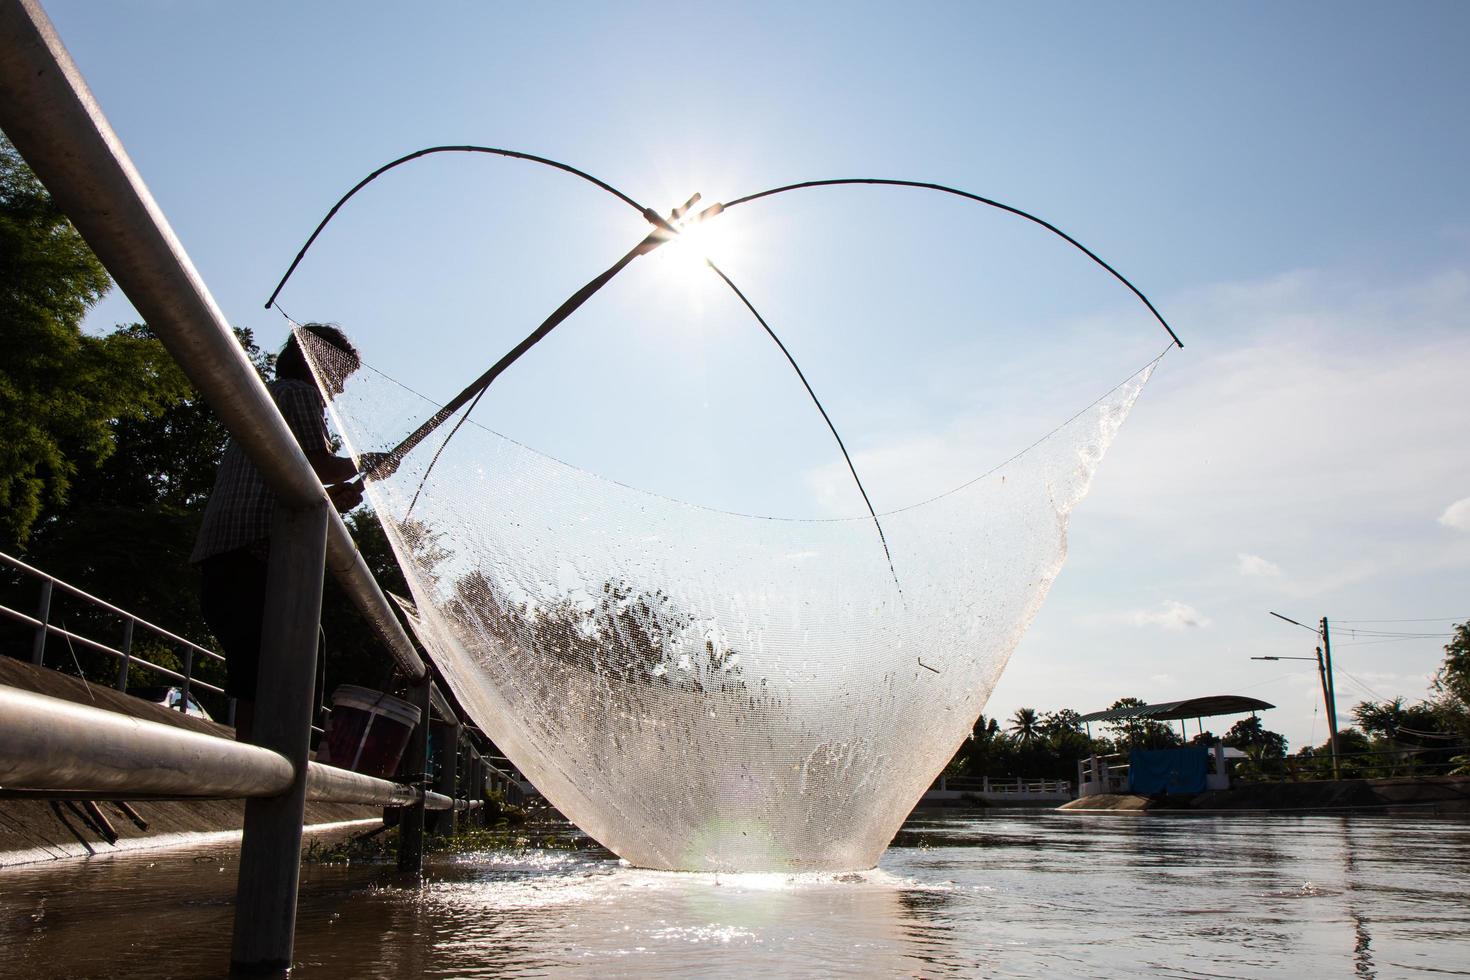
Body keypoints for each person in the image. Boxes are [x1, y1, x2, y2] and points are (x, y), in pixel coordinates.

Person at [191, 324, 366, 742]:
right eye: (339, 375)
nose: (338, 389)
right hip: (252, 557)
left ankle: (262, 775)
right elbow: (319, 465)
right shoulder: (300, 394)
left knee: (258, 678)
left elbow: (299, 479)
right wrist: (365, 462)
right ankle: (278, 772)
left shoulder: (270, 395)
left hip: (222, 561)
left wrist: (332, 498)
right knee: (292, 663)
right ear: (320, 362)